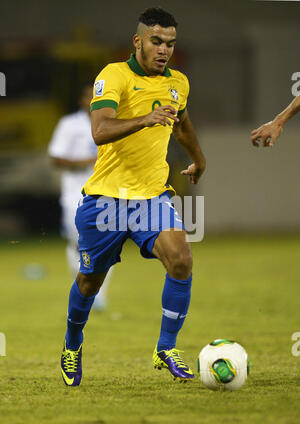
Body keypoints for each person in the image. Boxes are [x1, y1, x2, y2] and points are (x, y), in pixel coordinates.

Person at [60, 7, 206, 387]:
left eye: (170, 43)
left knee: (181, 258)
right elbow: (100, 130)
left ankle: (166, 347)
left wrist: (199, 160)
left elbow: (183, 125)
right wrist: (144, 118)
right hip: (105, 200)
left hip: (151, 198)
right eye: (156, 41)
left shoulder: (179, 83)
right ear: (138, 41)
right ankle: (72, 344)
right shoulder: (113, 75)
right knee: (90, 283)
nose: (164, 50)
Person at [48, 85, 111, 310]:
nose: (94, 101)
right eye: (90, 97)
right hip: (75, 193)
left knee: (106, 243)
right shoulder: (69, 124)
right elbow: (56, 159)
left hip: (106, 193)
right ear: (82, 100)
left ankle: (99, 296)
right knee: (78, 243)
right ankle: (82, 288)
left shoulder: (113, 124)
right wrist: (85, 162)